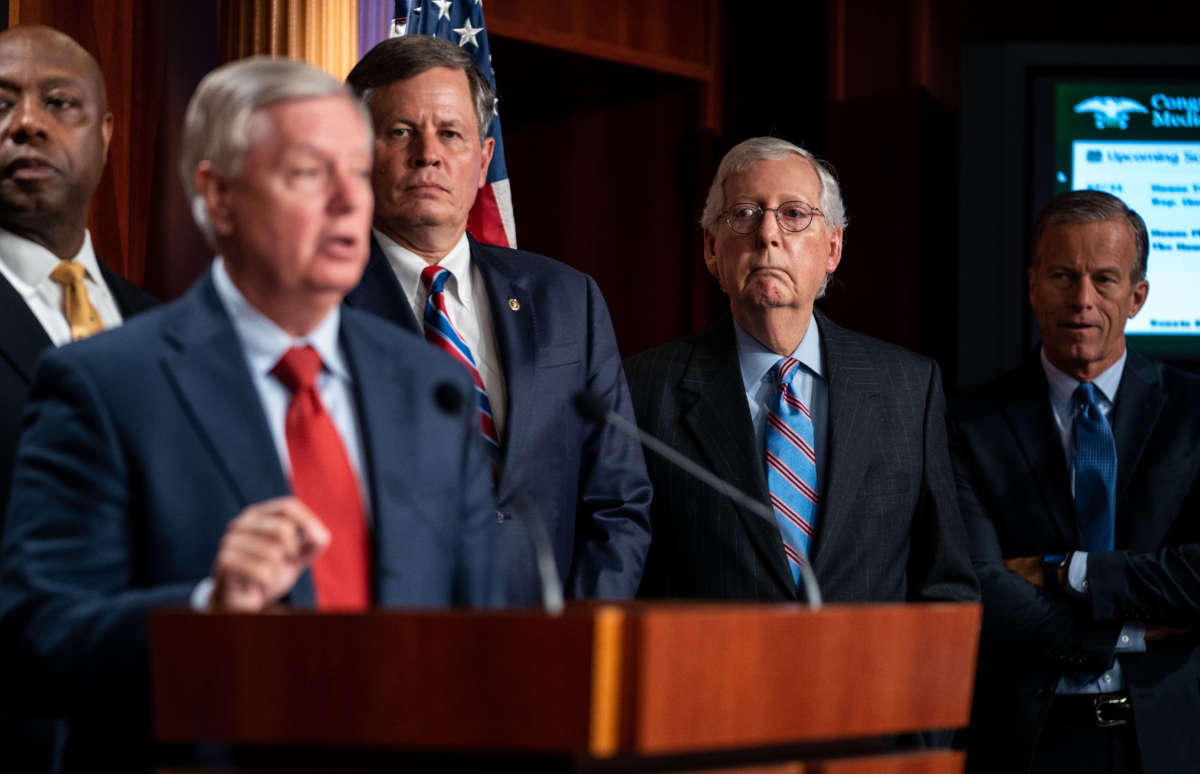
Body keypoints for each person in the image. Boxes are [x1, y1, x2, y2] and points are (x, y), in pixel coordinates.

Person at [0, 56, 496, 772]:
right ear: (220, 197)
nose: (347, 203)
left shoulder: (426, 383)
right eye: (307, 174)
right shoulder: (106, 384)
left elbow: (480, 628)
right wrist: (206, 611)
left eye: (356, 173)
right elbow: (37, 637)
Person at [342, 34, 651, 603]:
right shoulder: (319, 302)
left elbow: (618, 502)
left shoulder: (567, 300)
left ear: (483, 160)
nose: (428, 153)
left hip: (545, 649)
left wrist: (580, 638)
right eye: (401, 131)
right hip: (383, 650)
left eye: (451, 133)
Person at [624, 136, 977, 605]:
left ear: (833, 248)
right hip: (712, 674)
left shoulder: (909, 389)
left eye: (793, 214)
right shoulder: (642, 389)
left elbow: (944, 585)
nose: (767, 234)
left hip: (870, 675)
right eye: (745, 213)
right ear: (712, 248)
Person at [951, 189, 1200, 774]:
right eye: (1063, 275)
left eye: (1104, 280)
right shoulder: (969, 422)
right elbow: (980, 588)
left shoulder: (1194, 413)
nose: (1082, 300)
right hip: (1027, 744)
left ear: (1137, 297)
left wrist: (1070, 571)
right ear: (1033, 284)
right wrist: (1129, 633)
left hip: (1170, 741)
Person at [0, 25, 157, 773]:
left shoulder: (168, 327)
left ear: (105, 134)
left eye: (57, 102)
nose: (26, 122)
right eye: (0, 103)